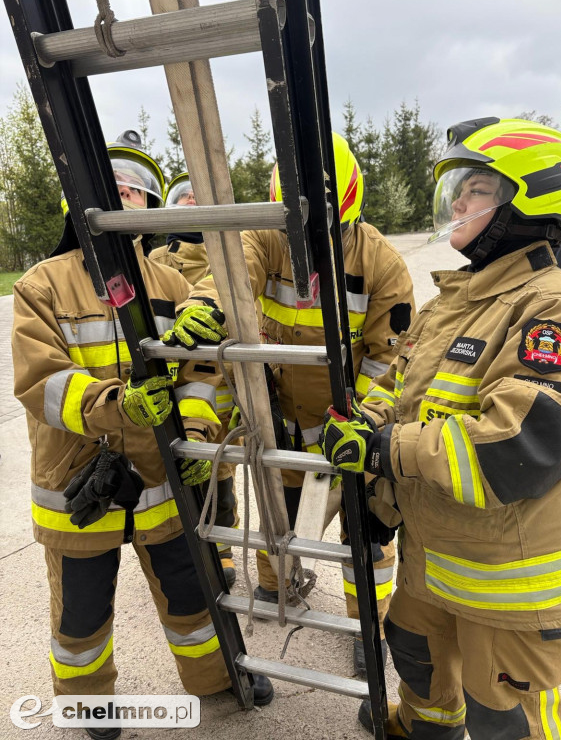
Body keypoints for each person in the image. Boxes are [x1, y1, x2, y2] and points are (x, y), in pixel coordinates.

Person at [320, 117, 561, 738]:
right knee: (414, 653)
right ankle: (425, 728)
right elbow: (401, 391)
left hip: (508, 577)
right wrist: (365, 426)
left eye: (478, 189)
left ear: (531, 198)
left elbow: (521, 443)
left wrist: (384, 450)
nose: (458, 202)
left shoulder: (552, 305)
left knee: (505, 715)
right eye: (458, 188)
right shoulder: (456, 300)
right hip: (432, 552)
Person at [12, 139, 273, 740]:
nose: (121, 195)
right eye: (110, 186)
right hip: (78, 488)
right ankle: (87, 708)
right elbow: (39, 381)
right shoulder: (41, 285)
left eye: (132, 188)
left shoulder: (171, 284)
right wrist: (113, 405)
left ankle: (215, 680)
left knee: (194, 599)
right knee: (80, 617)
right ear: (76, 202)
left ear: (150, 206)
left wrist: (202, 438)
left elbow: (204, 373)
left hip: (162, 481)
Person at [160, 132, 415, 677]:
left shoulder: (381, 263)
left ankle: (367, 624)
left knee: (364, 531)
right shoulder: (264, 237)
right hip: (283, 416)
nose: (304, 242)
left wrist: (365, 423)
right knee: (282, 515)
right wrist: (209, 305)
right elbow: (231, 273)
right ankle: (279, 587)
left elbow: (393, 362)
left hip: (352, 424)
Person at [150, 173, 240, 587]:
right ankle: (187, 544)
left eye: (197, 194)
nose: (190, 201)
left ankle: (221, 548)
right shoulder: (155, 262)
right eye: (182, 195)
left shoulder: (230, 252)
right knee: (181, 471)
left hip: (221, 390)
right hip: (175, 387)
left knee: (221, 474)